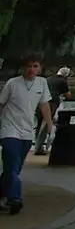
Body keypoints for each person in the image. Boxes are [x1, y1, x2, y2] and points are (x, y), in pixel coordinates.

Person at [0, 54, 53, 215]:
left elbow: (44, 105)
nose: (31, 69)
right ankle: (14, 198)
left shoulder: (42, 83)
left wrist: (50, 126)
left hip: (27, 131)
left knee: (15, 168)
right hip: (9, 129)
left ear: (40, 68)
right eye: (29, 66)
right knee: (12, 164)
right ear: (23, 68)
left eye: (35, 66)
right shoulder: (12, 83)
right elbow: (1, 104)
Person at [34, 66, 69, 155]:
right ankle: (39, 148)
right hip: (51, 103)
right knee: (46, 125)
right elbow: (68, 95)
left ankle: (37, 146)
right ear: (66, 75)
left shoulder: (48, 78)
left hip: (39, 102)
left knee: (39, 125)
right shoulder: (63, 81)